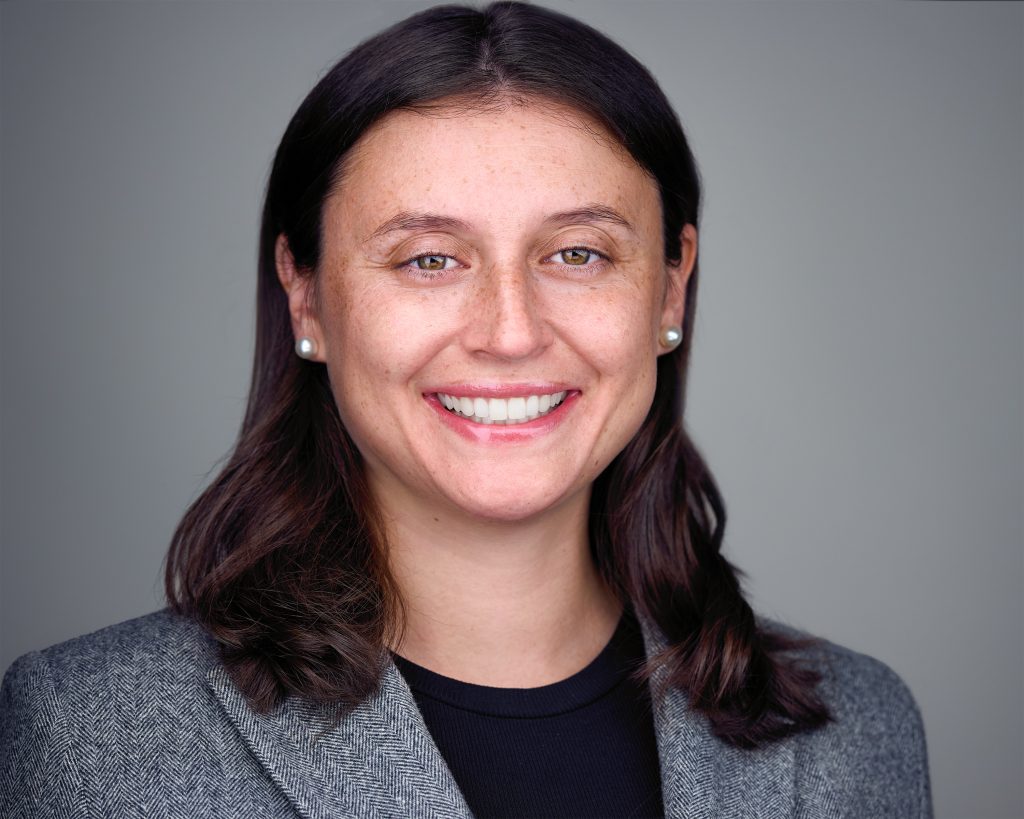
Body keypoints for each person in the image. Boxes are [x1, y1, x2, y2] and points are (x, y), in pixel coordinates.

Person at [0, 3, 933, 817]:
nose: (510, 332)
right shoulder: (93, 741)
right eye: (429, 259)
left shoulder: (854, 733)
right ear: (306, 296)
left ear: (670, 288)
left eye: (578, 253)